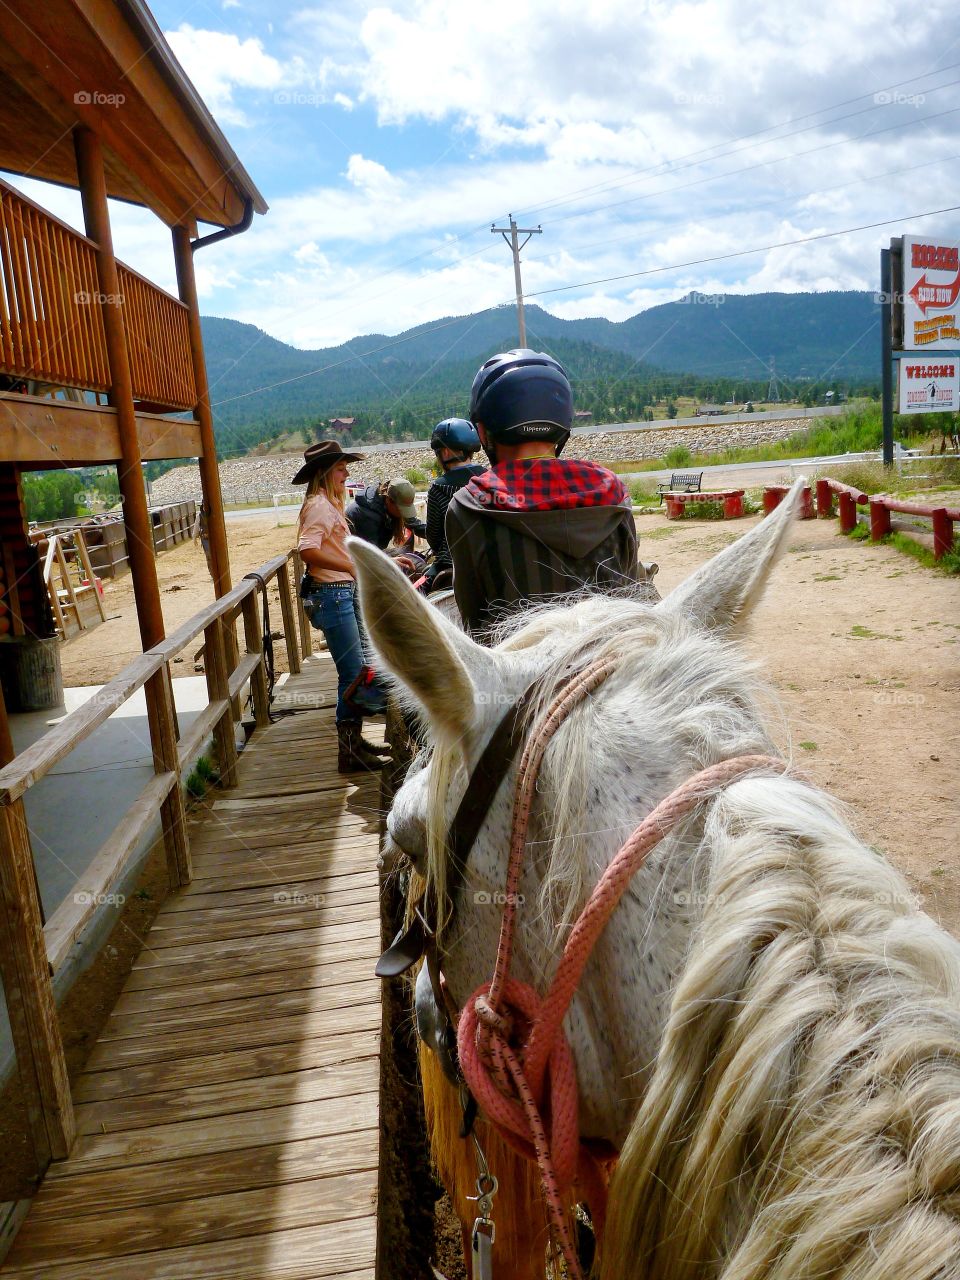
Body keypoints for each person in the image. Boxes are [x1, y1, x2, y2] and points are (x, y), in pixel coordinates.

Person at [445, 349, 639, 638]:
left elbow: (475, 621)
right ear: (562, 427)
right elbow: (632, 593)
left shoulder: (467, 506)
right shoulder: (613, 494)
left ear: (483, 433)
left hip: (521, 679)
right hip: (618, 667)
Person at [293, 441, 392, 773]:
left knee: (356, 668)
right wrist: (349, 566)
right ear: (325, 472)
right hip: (333, 592)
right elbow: (307, 549)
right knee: (352, 672)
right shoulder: (320, 505)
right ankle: (348, 751)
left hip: (338, 592)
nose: (346, 472)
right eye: (340, 467)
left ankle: (353, 742)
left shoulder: (327, 503)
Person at [420, 418, 485, 591]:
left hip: (452, 563)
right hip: (489, 557)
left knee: (418, 593)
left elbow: (434, 535)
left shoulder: (439, 487)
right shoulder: (490, 479)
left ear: (446, 453)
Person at [346, 477, 427, 558]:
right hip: (356, 558)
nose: (404, 514)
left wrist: (435, 534)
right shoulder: (367, 515)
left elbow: (413, 523)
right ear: (389, 500)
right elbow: (370, 555)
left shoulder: (387, 503)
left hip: (373, 553)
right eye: (402, 510)